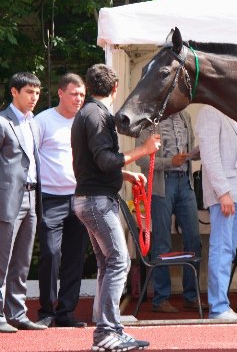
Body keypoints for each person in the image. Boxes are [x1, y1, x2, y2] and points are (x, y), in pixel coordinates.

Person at [71, 63, 160, 351]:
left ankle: (109, 331)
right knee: (119, 262)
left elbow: (93, 163)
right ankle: (107, 332)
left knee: (107, 264)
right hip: (97, 201)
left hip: (89, 199)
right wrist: (143, 150)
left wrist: (126, 175)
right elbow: (105, 160)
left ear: (89, 86)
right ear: (115, 88)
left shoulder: (87, 113)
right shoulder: (97, 115)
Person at [195, 105, 237, 319]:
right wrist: (222, 193)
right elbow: (210, 156)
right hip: (225, 192)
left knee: (228, 250)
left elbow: (228, 153)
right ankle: (218, 307)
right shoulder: (210, 112)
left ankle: (221, 305)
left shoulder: (232, 113)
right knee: (222, 248)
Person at [35, 73, 89, 328]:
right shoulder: (42, 120)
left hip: (79, 198)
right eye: (74, 94)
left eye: (82, 95)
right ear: (60, 93)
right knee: (50, 253)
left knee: (75, 257)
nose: (79, 99)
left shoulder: (85, 121)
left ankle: (66, 312)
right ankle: (46, 311)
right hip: (50, 198)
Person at [135, 110, 203, 313]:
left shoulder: (185, 116)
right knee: (162, 241)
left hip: (185, 182)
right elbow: (141, 159)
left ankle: (191, 296)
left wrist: (195, 154)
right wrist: (169, 162)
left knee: (194, 239)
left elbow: (189, 148)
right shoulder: (149, 120)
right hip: (161, 184)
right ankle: (161, 298)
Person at [0, 72, 48, 332]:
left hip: (31, 196)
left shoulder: (32, 123)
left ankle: (17, 313)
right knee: (2, 259)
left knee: (22, 260)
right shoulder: (2, 122)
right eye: (29, 92)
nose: (34, 97)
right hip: (7, 199)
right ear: (14, 92)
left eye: (37, 93)